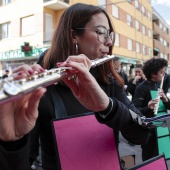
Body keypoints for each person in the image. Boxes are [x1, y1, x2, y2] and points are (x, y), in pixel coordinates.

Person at [0, 3, 150, 170]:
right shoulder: (42, 87)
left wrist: (108, 107)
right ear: (73, 36)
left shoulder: (108, 81)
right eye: (100, 32)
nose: (108, 42)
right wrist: (12, 143)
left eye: (110, 35)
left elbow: (142, 135)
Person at [133, 58, 170, 161]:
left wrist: (165, 99)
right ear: (153, 74)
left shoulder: (158, 86)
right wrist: (148, 108)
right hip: (149, 131)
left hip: (162, 127)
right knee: (150, 159)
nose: (164, 75)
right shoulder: (142, 88)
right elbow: (134, 110)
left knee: (162, 156)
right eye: (162, 72)